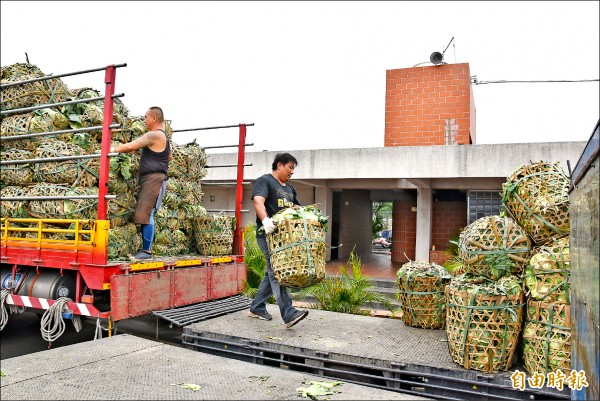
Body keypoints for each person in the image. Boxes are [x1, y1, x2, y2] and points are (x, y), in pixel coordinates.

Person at [248, 152, 309, 329]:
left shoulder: (290, 189)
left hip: (284, 238)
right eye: (290, 167)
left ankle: (257, 307)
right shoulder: (265, 181)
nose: (292, 172)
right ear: (280, 165)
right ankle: (289, 314)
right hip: (267, 235)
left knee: (270, 272)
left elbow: (297, 208)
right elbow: (258, 201)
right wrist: (266, 221)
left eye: (294, 169)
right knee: (277, 270)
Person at [110, 106, 172, 260]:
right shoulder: (164, 137)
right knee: (145, 212)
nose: (144, 120)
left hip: (154, 179)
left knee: (147, 213)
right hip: (153, 178)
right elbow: (169, 157)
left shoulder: (154, 135)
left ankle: (147, 251)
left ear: (154, 119)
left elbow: (132, 146)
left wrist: (112, 149)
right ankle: (146, 250)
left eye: (146, 117)